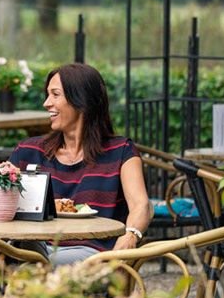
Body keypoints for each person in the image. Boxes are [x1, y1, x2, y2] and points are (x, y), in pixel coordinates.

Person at [8, 63, 151, 266]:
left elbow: (141, 205)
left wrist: (130, 236)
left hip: (91, 252)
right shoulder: (29, 151)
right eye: (47, 95)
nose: (46, 103)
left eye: (55, 94)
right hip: (35, 245)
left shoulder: (121, 152)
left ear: (81, 101)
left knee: (36, 264)